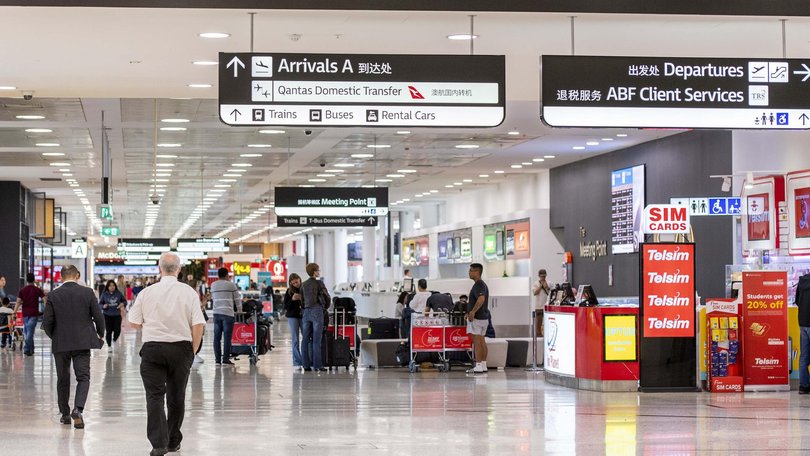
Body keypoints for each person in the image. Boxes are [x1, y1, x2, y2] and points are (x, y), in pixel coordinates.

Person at [127, 252, 205, 456]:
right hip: (181, 349)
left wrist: (150, 320)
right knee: (176, 397)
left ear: (159, 269)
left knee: (154, 397)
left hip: (153, 350)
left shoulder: (146, 293)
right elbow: (198, 325)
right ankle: (172, 441)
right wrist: (192, 350)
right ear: (179, 270)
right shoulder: (189, 293)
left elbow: (133, 322)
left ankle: (158, 444)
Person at [41, 265, 105, 429]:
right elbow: (98, 317)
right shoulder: (87, 292)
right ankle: (78, 409)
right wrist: (100, 334)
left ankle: (65, 414)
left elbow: (47, 322)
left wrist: (54, 336)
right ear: (77, 276)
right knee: (83, 377)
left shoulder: (53, 295)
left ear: (61, 277)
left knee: (63, 378)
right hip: (82, 342)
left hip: (61, 343)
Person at [301, 263, 330, 372]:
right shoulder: (319, 283)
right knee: (316, 340)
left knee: (305, 340)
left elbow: (302, 301)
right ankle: (318, 365)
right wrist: (325, 307)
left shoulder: (303, 284)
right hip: (317, 311)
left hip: (306, 312)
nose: (319, 272)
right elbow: (327, 296)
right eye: (318, 270)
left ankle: (306, 365)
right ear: (314, 272)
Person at [211, 267, 241, 366]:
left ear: (218, 275)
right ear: (226, 275)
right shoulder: (231, 285)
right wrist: (240, 311)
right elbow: (237, 299)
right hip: (228, 314)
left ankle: (217, 360)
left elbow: (213, 298)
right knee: (227, 338)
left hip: (216, 314)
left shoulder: (213, 285)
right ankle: (226, 359)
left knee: (216, 338)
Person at [466, 263, 490, 374]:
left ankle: (478, 365)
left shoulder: (478, 285)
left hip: (477, 318)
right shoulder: (482, 284)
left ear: (477, 272)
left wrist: (472, 312)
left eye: (471, 270)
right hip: (484, 318)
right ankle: (483, 364)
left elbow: (481, 299)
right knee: (481, 341)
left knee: (477, 342)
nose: (469, 272)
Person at [14, 273, 45, 356]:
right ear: (34, 279)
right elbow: (45, 299)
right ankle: (31, 348)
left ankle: (27, 349)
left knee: (28, 331)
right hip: (34, 314)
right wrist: (47, 309)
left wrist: (14, 312)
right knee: (28, 332)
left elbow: (18, 302)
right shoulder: (37, 289)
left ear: (26, 280)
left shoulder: (22, 290)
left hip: (25, 314)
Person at [99, 279, 126, 352]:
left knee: (117, 330)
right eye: (110, 286)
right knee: (108, 331)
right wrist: (103, 306)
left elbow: (124, 301)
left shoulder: (118, 293)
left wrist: (122, 304)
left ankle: (114, 339)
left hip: (117, 315)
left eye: (113, 285)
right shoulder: (104, 294)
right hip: (107, 315)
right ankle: (109, 346)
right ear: (107, 287)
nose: (112, 287)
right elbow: (100, 304)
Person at [284, 273, 303, 368]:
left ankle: (306, 359)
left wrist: (301, 299)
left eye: (297, 281)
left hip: (303, 316)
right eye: (294, 282)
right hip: (293, 317)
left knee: (306, 337)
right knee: (295, 339)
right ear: (291, 283)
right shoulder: (289, 292)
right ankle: (297, 361)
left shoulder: (304, 289)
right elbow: (286, 306)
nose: (296, 284)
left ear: (300, 279)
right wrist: (292, 299)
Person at [797, 273, 810, 394]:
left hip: (803, 322)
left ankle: (804, 386)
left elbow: (797, 301)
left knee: (804, 356)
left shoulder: (802, 281)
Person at [531, 269, 550, 337]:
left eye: (544, 276)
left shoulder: (549, 282)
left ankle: (547, 335)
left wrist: (546, 286)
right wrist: (540, 286)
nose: (543, 278)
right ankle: (538, 336)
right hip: (538, 307)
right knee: (538, 324)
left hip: (547, 307)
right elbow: (535, 293)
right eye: (542, 276)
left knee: (547, 323)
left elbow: (550, 291)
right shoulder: (535, 283)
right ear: (539, 276)